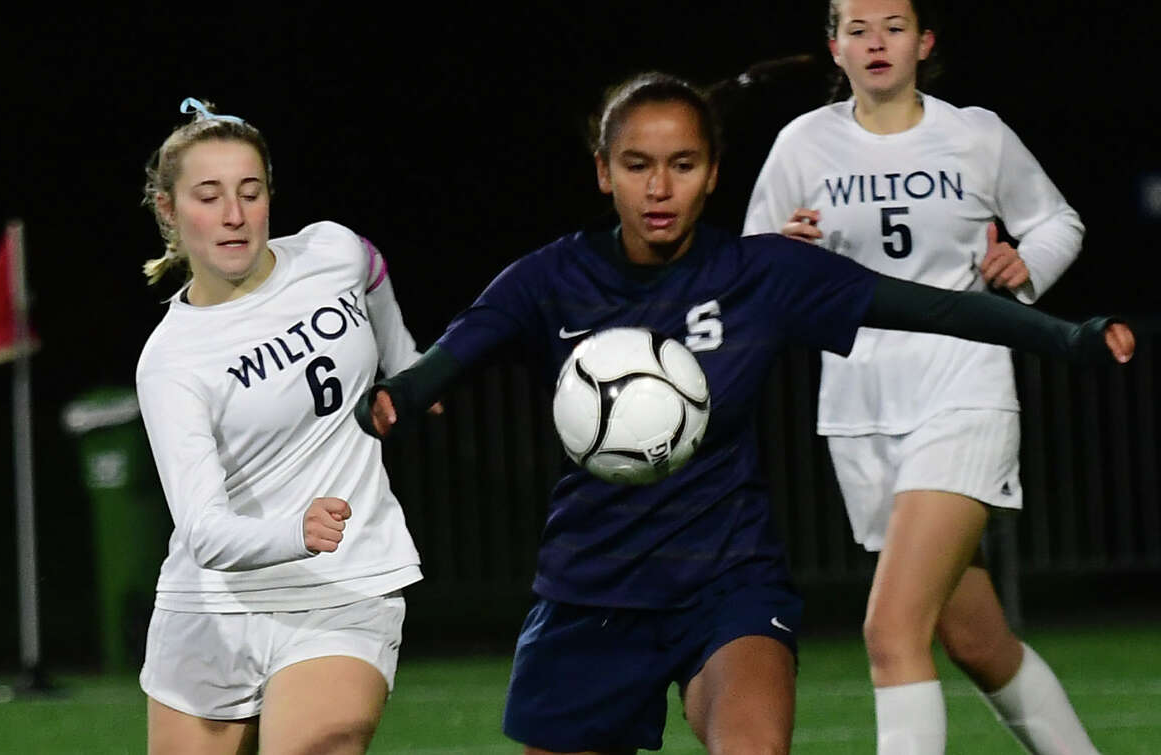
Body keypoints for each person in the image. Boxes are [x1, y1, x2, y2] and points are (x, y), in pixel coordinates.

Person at [356, 72, 1131, 755]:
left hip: (729, 581)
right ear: (603, 172)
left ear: (714, 173)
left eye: (683, 165)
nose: (660, 188)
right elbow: (456, 349)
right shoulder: (550, 279)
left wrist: (1069, 337)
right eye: (637, 166)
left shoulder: (759, 274)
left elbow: (933, 308)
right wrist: (402, 394)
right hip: (590, 586)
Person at [742, 1, 1108, 753]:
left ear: (925, 42)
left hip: (963, 390)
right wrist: (781, 250)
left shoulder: (975, 132)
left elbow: (1057, 222)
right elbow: (749, 273)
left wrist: (1026, 264)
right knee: (977, 638)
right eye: (858, 29)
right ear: (835, 48)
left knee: (891, 628)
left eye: (895, 26)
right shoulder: (802, 144)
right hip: (859, 407)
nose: (877, 41)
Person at [135, 98, 432, 754]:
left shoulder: (331, 250)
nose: (235, 216)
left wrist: (405, 368)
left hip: (345, 581)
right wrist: (291, 530)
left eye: (251, 191)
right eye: (209, 196)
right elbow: (205, 531)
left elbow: (371, 269)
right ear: (168, 210)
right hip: (209, 609)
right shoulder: (170, 362)